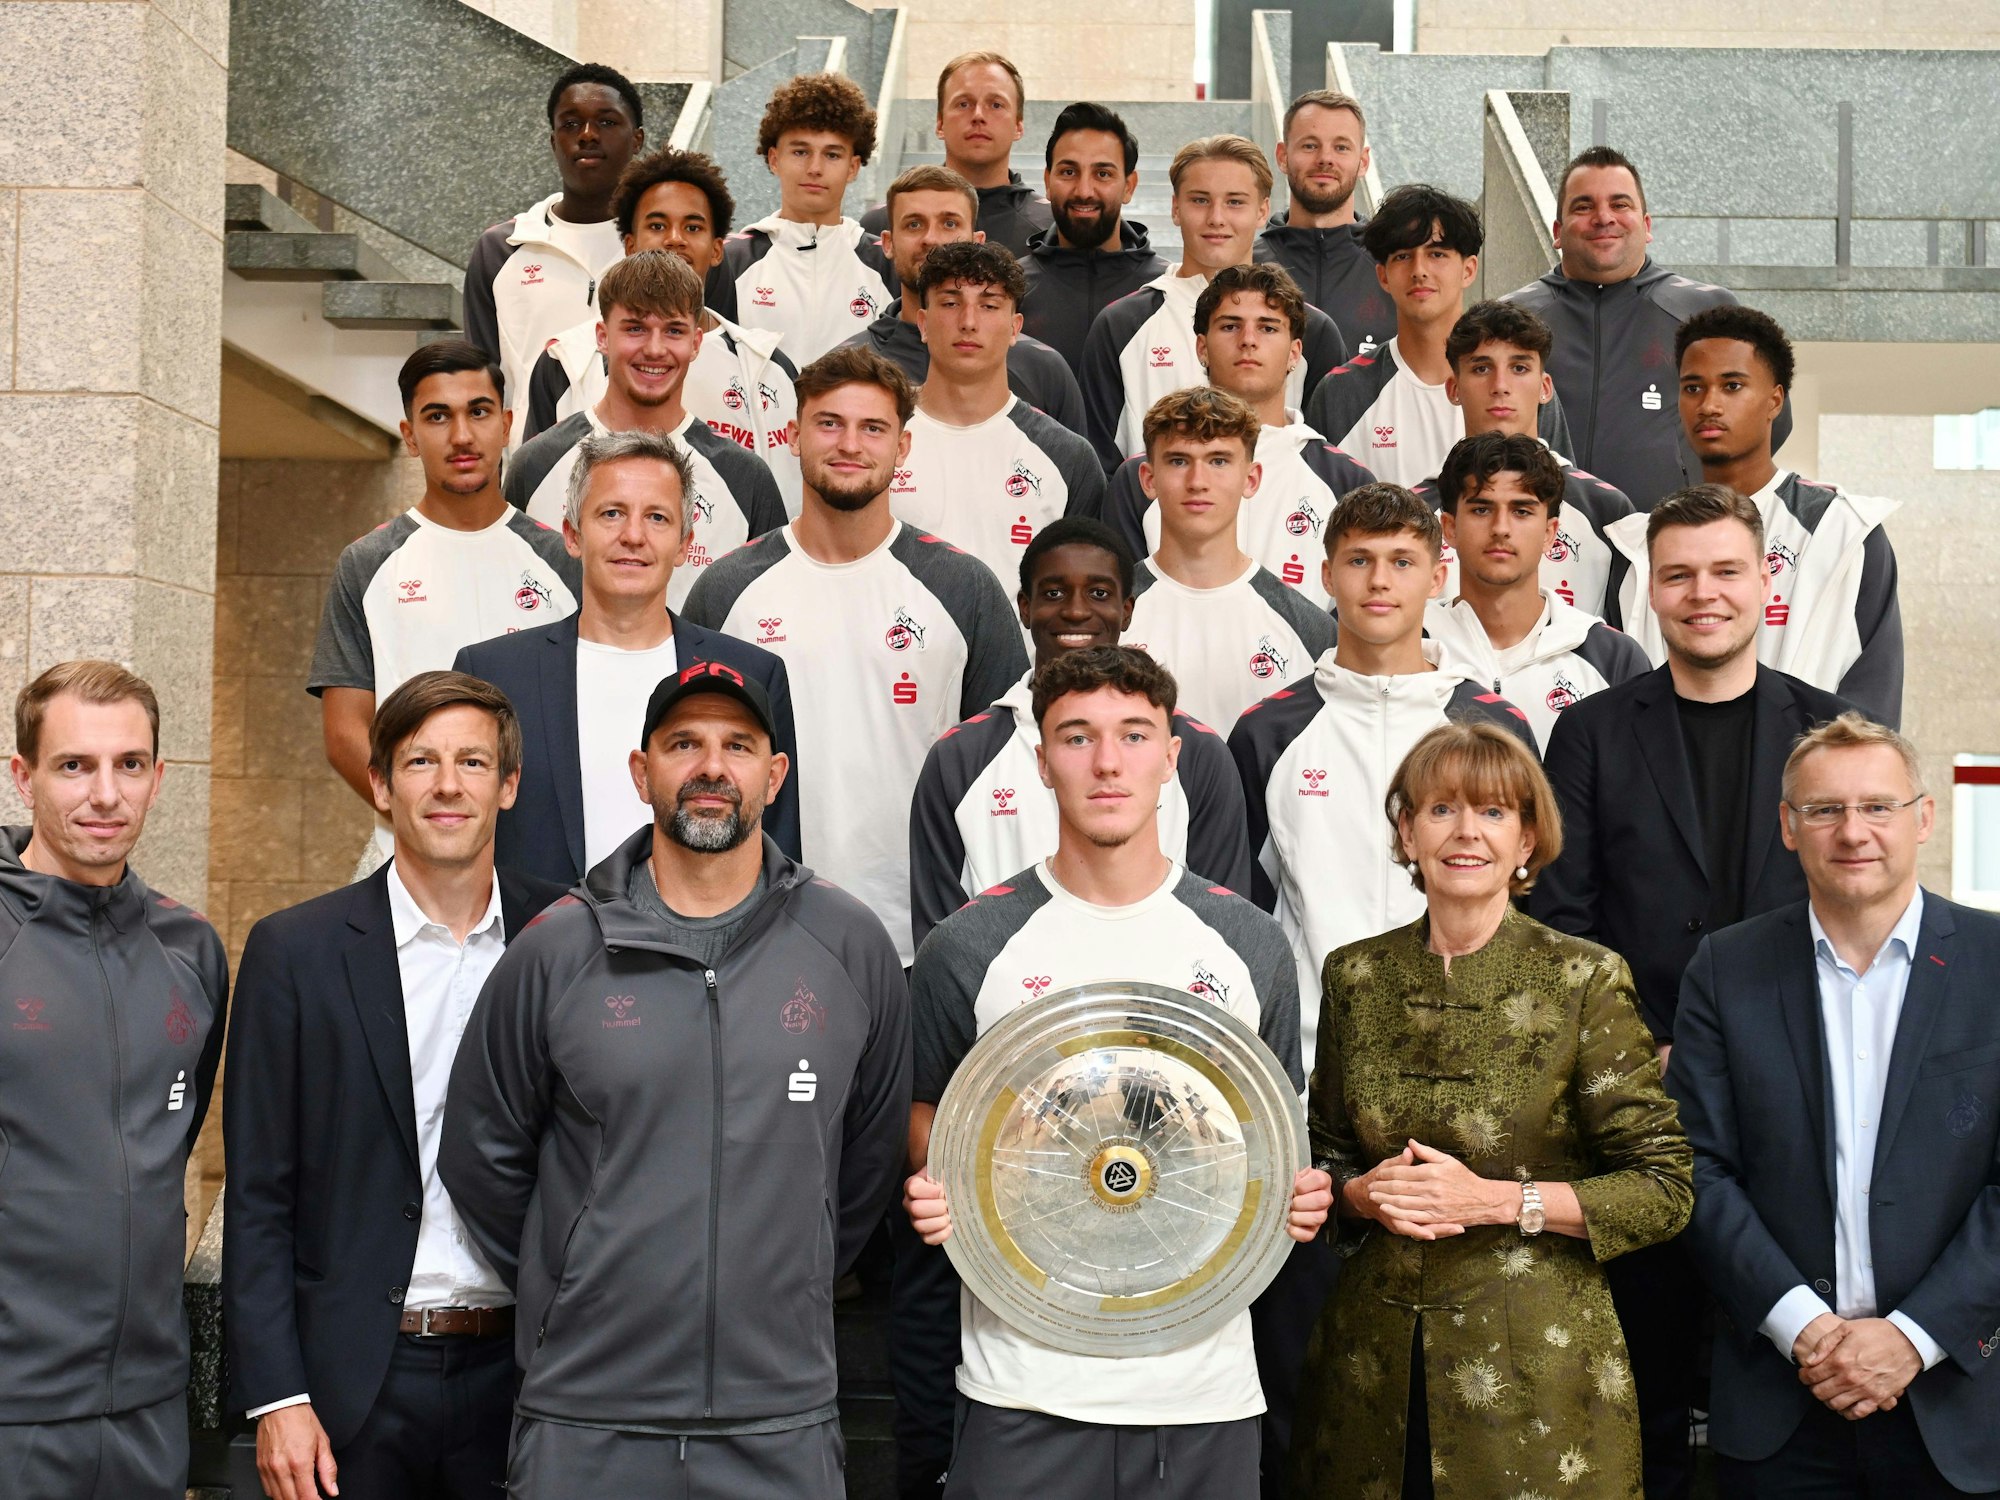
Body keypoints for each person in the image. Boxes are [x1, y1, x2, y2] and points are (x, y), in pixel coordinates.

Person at [439, 663, 910, 1500]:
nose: (711, 768)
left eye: (738, 745)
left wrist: (786, 1272)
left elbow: (865, 1164)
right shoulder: (555, 950)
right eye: (683, 743)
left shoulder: (850, 946)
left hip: (781, 1417)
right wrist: (581, 1276)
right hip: (586, 1418)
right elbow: (484, 1157)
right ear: (641, 770)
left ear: (776, 774)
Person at [902, 645, 1333, 1500]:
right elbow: (924, 1116)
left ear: (1172, 758)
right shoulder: (969, 945)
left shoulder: (1247, 943)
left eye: (1135, 735)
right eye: (1077, 737)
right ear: (1041, 762)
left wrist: (1304, 1189)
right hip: (1022, 1383)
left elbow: (1274, 1130)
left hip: (1202, 1390)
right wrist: (931, 1172)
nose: (1107, 762)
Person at [1529, 483, 1852, 1499]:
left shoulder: (1827, 729)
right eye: (1677, 575)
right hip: (1633, 1103)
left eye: (1723, 571)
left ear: (1764, 583)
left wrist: (1737, 1053)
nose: (1700, 593)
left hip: (1794, 1096)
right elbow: (1563, 924)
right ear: (1648, 594)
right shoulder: (1587, 732)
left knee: (1783, 1377)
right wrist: (1644, 1051)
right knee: (1643, 1387)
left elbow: (1848, 907)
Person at [1293, 719, 1693, 1499]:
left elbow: (1663, 1189)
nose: (1465, 831)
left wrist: (1497, 1202)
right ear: (1406, 833)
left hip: (1536, 1381)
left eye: (1494, 812)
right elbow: (1330, 1155)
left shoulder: (1585, 979)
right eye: (1440, 810)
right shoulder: (1355, 975)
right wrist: (1356, 1193)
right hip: (1370, 1373)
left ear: (1527, 841)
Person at [223, 673, 566, 1500]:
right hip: (352, 1393)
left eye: (473, 762)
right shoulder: (293, 953)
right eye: (419, 761)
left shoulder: (567, 938)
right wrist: (279, 1397)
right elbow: (259, 1195)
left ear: (508, 785)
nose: (448, 785)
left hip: (528, 1380)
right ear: (379, 784)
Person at [1671, 713, 2000, 1497]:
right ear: (1789, 827)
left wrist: (1912, 1339)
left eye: (1878, 807)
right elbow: (1693, 1167)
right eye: (1825, 810)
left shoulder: (1995, 965)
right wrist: (1807, 1331)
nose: (1854, 831)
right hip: (1783, 1399)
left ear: (1924, 817)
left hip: (1955, 1400)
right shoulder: (1727, 968)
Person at [683, 346, 1028, 966]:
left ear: (903, 448)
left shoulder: (963, 588)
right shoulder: (726, 589)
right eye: (829, 423)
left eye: (873, 428)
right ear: (792, 436)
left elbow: (1007, 768)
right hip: (754, 930)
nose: (850, 444)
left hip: (924, 930)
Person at [0, 661, 227, 1500]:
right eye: (74, 766)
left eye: (129, 765)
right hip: (13, 1410)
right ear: (23, 777)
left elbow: (173, 1133)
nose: (105, 794)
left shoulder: (191, 949)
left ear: (158, 778)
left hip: (147, 1408)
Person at [1229, 482, 1535, 1071]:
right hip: (1314, 1065)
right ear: (1326, 574)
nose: (1379, 581)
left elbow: (1531, 892)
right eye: (1359, 560)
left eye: (1402, 562)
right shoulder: (1268, 732)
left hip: (1474, 1058)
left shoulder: (1493, 726)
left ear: (1437, 578)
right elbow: (1244, 908)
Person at [456, 428, 800, 886]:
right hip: (540, 948)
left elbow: (778, 850)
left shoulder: (754, 674)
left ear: (683, 544)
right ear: (573, 535)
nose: (633, 536)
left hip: (706, 952)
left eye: (657, 517)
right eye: (612, 513)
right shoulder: (493, 676)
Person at [908, 514, 1253, 949]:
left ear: (1126, 609)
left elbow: (1226, 930)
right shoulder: (961, 758)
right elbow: (941, 946)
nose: (1075, 610)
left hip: (1156, 1011)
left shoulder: (1197, 753)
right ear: (1025, 607)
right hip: (1011, 1014)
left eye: (1098, 593)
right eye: (1054, 593)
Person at [310, 341, 580, 863]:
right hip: (404, 854)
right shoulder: (367, 564)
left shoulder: (565, 561)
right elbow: (345, 732)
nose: (461, 435)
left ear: (505, 425)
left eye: (477, 412)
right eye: (437, 417)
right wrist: (428, 824)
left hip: (541, 858)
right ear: (410, 436)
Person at [1607, 303, 1903, 725]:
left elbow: (1875, 699)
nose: (1708, 404)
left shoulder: (1842, 531)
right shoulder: (1637, 544)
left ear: (1774, 400)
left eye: (1731, 386)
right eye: (1693, 388)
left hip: (1804, 782)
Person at [520, 147, 805, 511]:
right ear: (629, 244)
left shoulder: (769, 366)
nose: (674, 239)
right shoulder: (564, 360)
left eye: (693, 226)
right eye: (657, 225)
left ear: (718, 249)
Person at [1505, 146, 1788, 508]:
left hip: (1670, 542)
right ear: (1558, 231)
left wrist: (1697, 490)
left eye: (1620, 204)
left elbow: (1766, 424)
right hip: (1547, 546)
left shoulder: (1706, 311)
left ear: (1647, 225)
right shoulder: (1510, 318)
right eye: (1583, 206)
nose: (1603, 217)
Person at [503, 250, 786, 606]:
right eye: (635, 328)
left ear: (696, 343)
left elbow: (766, 606)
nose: (654, 349)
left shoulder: (745, 477)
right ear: (602, 337)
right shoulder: (536, 465)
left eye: (673, 331)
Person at [1103, 261, 1376, 609]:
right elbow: (1122, 612)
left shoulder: (1345, 482)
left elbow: (1350, 621)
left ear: (1295, 353)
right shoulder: (1140, 479)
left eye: (1267, 328)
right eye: (1230, 326)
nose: (1248, 341)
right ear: (1202, 348)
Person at [1080, 134, 1347, 472]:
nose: (1216, 218)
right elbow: (1101, 469)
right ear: (1176, 208)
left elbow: (1328, 465)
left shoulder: (1312, 330)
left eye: (1235, 202)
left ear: (1263, 210)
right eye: (1200, 200)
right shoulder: (1122, 326)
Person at [1307, 184, 1569, 488]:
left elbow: (1560, 500)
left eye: (1437, 253)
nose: (1419, 270)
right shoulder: (1341, 392)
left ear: (1469, 269)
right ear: (1383, 276)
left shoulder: (1517, 384)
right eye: (1403, 256)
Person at [886, 240, 1102, 584]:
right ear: (923, 324)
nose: (969, 321)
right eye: (951, 303)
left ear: (1015, 327)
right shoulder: (876, 439)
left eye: (988, 305)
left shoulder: (1067, 457)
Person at [1124, 388, 1334, 734]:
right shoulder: (1110, 616)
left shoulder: (1308, 628)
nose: (1197, 482)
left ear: (1251, 479)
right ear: (1149, 479)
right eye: (1178, 461)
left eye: (1218, 461)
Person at [1409, 300, 1635, 620]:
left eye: (1519, 368)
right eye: (1481, 368)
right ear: (1453, 389)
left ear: (1545, 388)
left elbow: (1623, 644)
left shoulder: (1605, 511)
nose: (1500, 386)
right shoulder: (1411, 511)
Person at [1423, 432, 1650, 750]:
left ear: (1549, 533)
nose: (1501, 528)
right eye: (1481, 510)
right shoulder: (1410, 642)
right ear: (1449, 528)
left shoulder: (1612, 658)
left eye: (1522, 511)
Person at [464, 63, 645, 447]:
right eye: (570, 124)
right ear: (553, 141)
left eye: (608, 122)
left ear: (638, 139)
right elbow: (479, 386)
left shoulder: (661, 250)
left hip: (646, 478)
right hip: (533, 480)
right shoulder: (502, 249)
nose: (588, 135)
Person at [842, 166, 1085, 433]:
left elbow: (1073, 470)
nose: (931, 239)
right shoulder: (847, 368)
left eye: (949, 223)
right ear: (887, 243)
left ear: (977, 241)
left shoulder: (1043, 370)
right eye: (914, 224)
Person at [716, 71, 894, 363]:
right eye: (800, 151)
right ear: (774, 159)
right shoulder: (732, 260)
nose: (815, 168)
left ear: (853, 167)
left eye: (832, 155)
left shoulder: (886, 265)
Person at [1017, 103, 1167, 376]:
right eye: (1069, 172)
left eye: (1103, 174)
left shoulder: (1166, 289)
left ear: (1128, 186)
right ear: (1048, 182)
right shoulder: (1010, 290)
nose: (1084, 191)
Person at [858, 51, 1052, 255]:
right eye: (963, 104)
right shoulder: (883, 222)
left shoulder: (1050, 229)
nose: (978, 115)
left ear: (1018, 126)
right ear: (940, 123)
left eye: (996, 105)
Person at [1253, 89, 1395, 356]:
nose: (1325, 159)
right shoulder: (1245, 266)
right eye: (1309, 145)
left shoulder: (1394, 270)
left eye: (1341, 147)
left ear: (1363, 162)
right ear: (1282, 156)